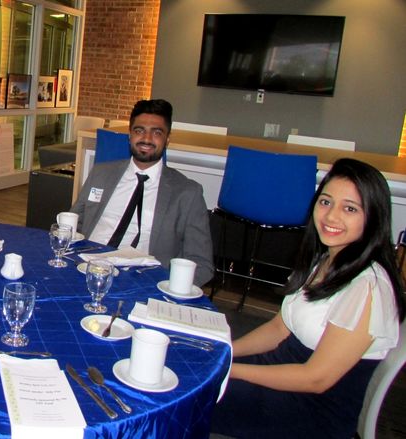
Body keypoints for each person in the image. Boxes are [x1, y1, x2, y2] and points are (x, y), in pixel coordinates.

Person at [210, 158, 405, 439]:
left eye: (349, 208)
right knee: (192, 379)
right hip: (282, 370)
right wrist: (225, 351)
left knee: (192, 399)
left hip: (309, 410)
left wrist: (231, 371)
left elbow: (316, 379)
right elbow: (280, 328)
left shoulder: (368, 287)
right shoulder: (327, 258)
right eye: (326, 202)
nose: (331, 216)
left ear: (373, 216)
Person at [70, 99, 214, 285]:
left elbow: (202, 263)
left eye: (156, 132)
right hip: (88, 268)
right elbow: (73, 224)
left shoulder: (186, 192)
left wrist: (170, 290)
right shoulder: (101, 173)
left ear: (167, 138)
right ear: (129, 135)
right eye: (139, 131)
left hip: (143, 280)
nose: (146, 139)